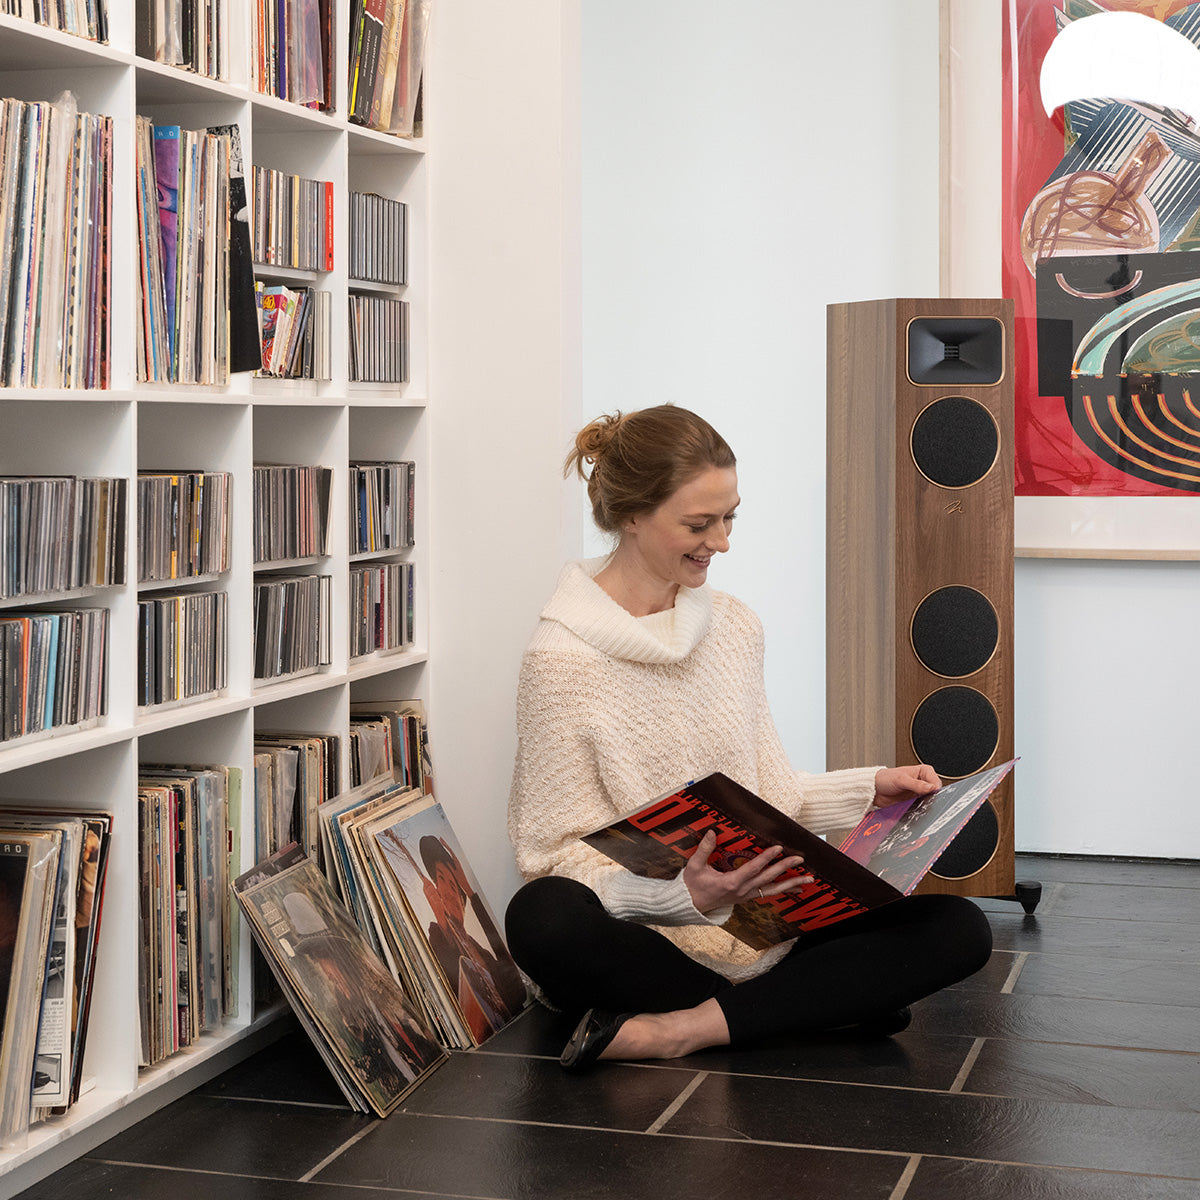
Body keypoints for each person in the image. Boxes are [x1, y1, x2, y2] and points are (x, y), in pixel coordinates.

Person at [504, 404, 993, 1071]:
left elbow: (769, 796)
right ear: (632, 515)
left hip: (768, 925)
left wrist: (871, 788)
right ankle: (812, 1006)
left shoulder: (734, 626)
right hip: (656, 938)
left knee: (961, 929)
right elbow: (552, 857)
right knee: (542, 917)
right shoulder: (560, 660)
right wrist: (684, 897)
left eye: (730, 518)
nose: (722, 542)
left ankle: (683, 1030)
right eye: (698, 524)